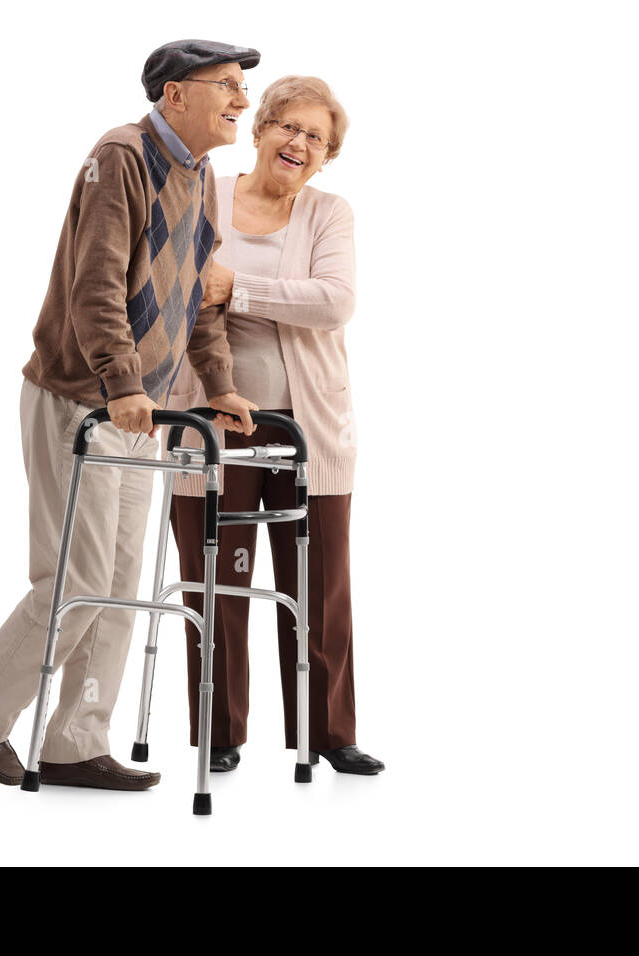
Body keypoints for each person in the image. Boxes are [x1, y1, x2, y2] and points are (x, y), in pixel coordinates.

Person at [0, 40, 261, 791]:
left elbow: (197, 299)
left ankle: (77, 741)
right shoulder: (123, 155)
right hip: (81, 397)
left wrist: (219, 383)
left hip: (140, 407)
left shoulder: (201, 174)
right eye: (228, 86)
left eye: (246, 86)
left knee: (120, 580)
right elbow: (96, 284)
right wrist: (120, 382)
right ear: (175, 95)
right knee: (75, 574)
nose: (242, 99)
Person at [167, 75, 384, 775]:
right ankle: (219, 730)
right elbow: (171, 283)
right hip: (211, 425)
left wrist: (238, 289)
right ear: (259, 130)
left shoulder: (328, 215)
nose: (299, 143)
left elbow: (334, 301)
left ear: (326, 155)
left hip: (307, 428)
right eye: (288, 127)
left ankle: (329, 733)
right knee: (217, 580)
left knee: (318, 585)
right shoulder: (206, 192)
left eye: (315, 137)